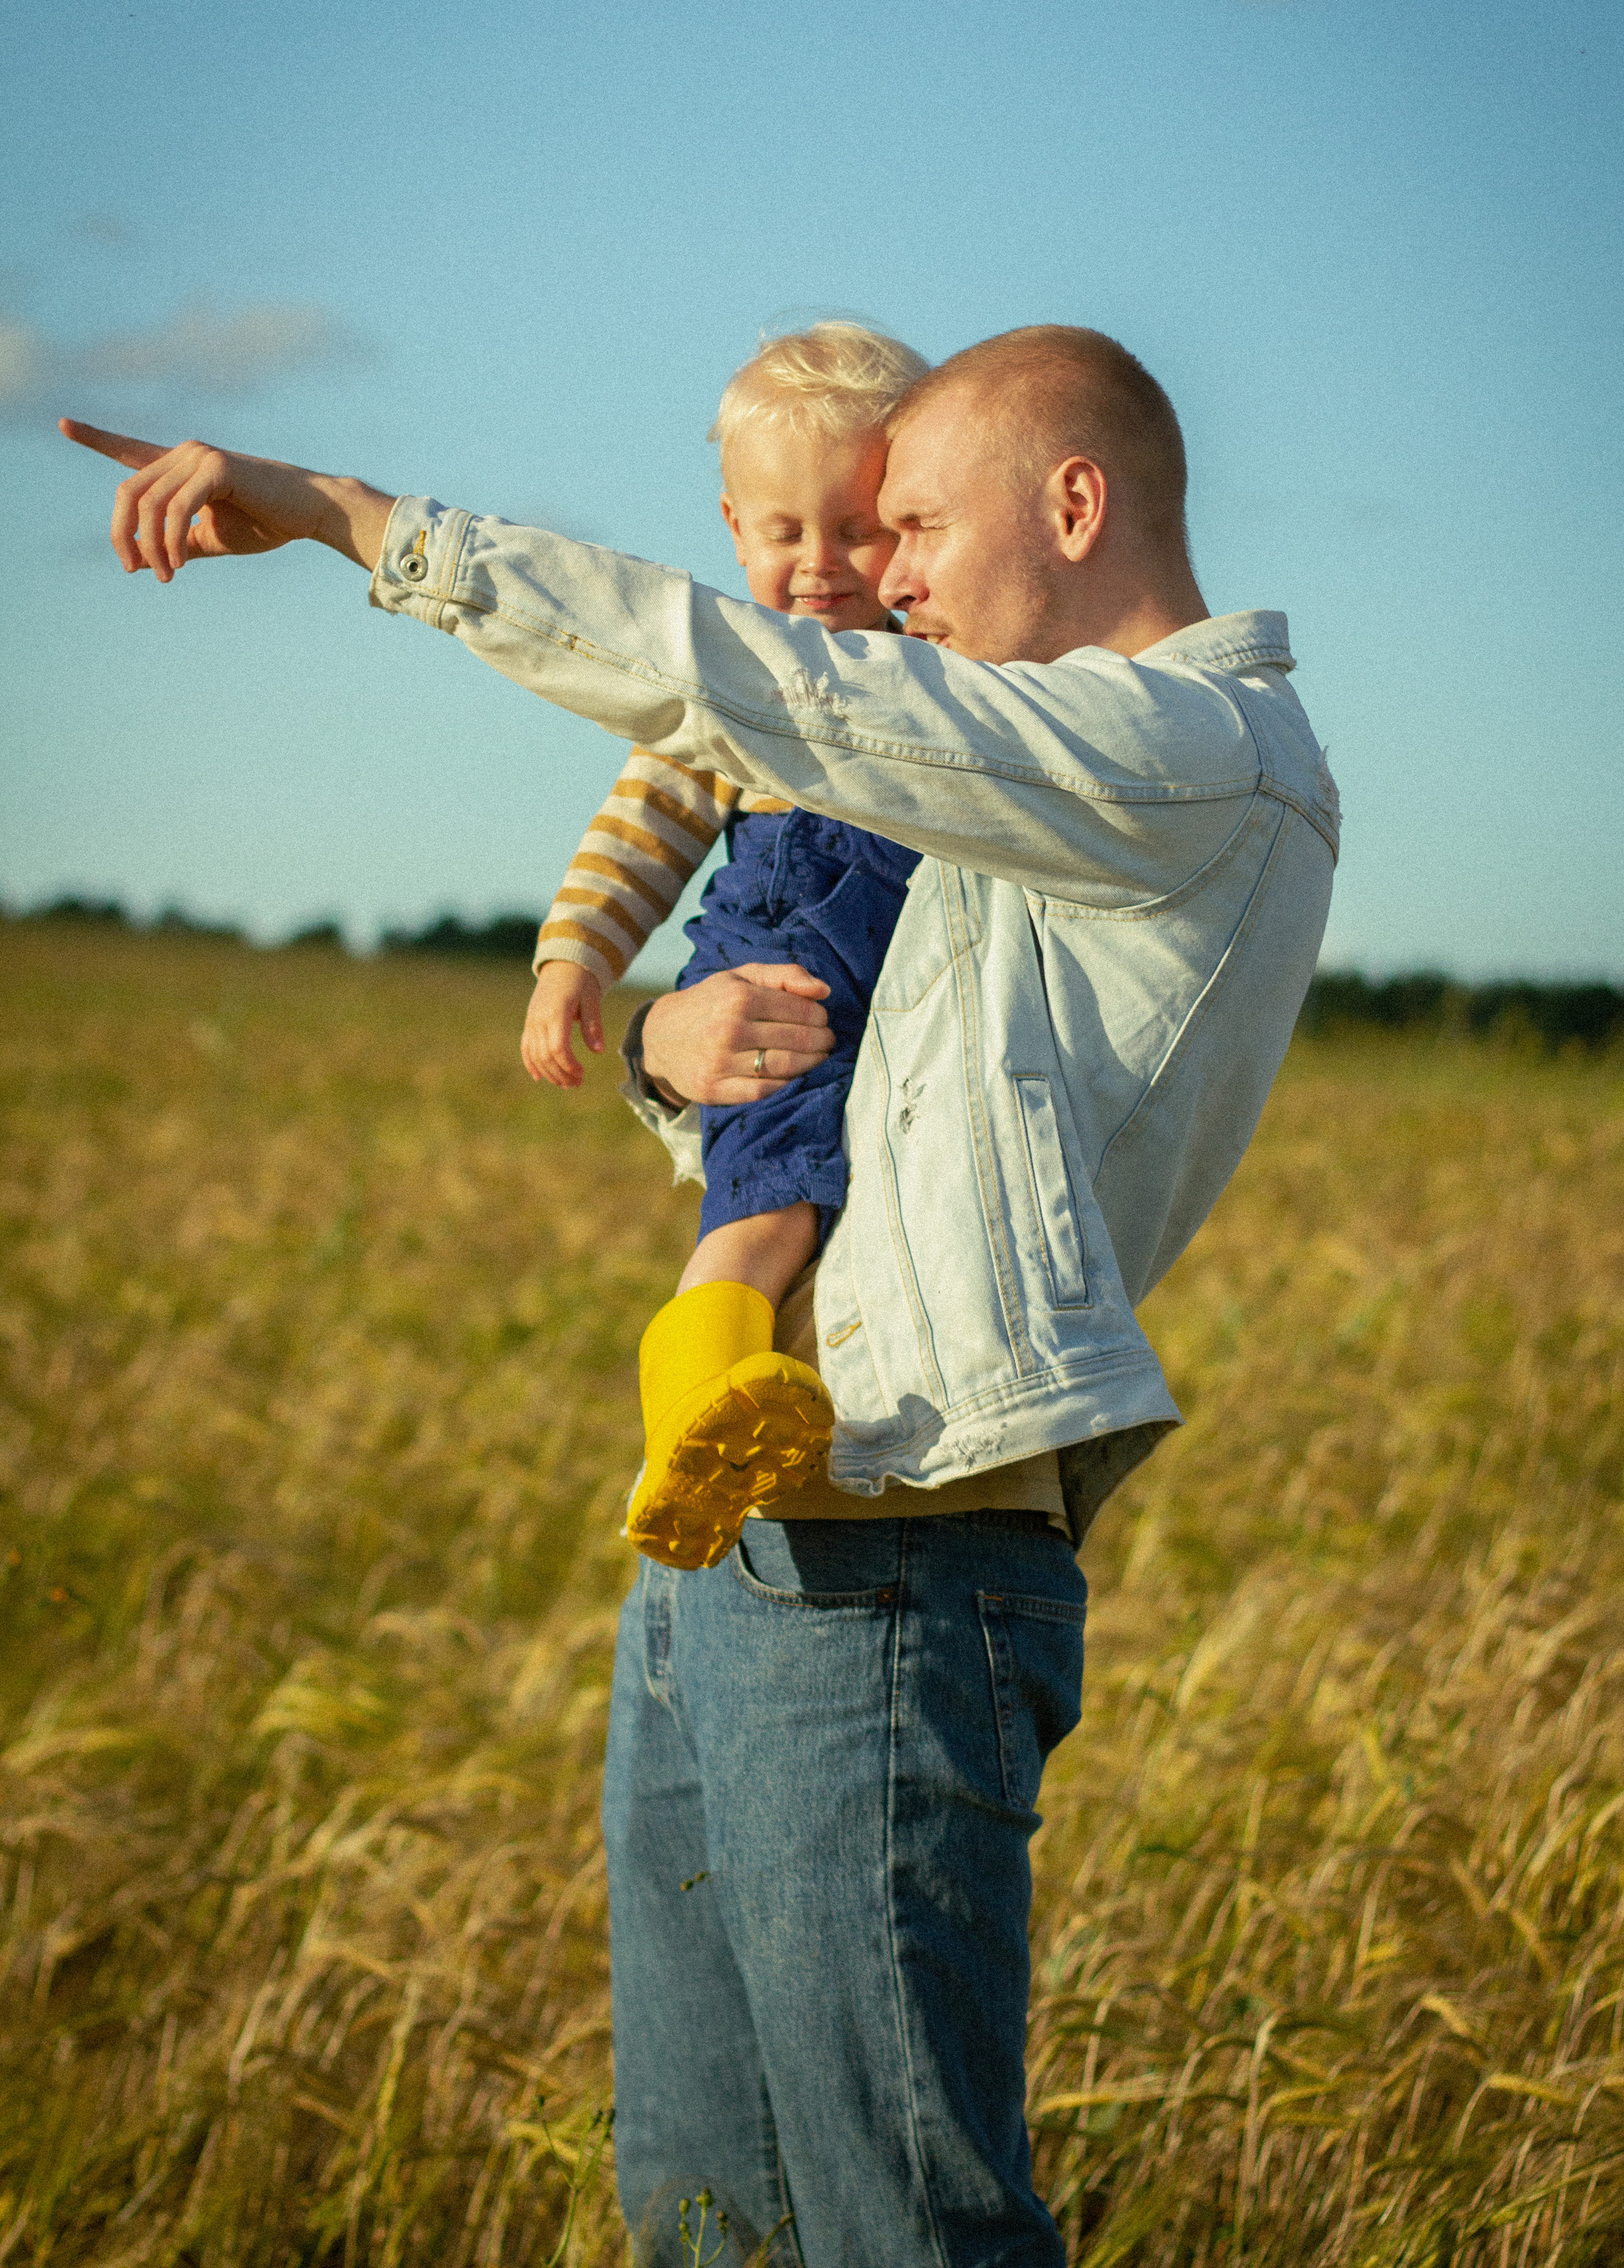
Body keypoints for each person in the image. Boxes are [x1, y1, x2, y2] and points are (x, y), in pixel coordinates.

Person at [64, 325, 1340, 2268]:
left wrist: (349, 522)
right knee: (704, 2208)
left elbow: (742, 680)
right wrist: (665, 1042)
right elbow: (836, 1092)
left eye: (915, 526)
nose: (885, 578)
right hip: (732, 1543)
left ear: (1075, 506)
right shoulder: (999, 779)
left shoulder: (1187, 756)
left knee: (898, 2225)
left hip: (895, 1565)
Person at [520, 321, 930, 1570]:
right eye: (780, 532)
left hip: (889, 988)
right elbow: (640, 827)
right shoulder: (731, 686)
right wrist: (573, 961)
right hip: (786, 968)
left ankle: (710, 1408)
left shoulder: (944, 666)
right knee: (774, 1196)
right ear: (731, 526)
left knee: (816, 1191)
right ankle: (690, 1415)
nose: (817, 566)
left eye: (854, 528)